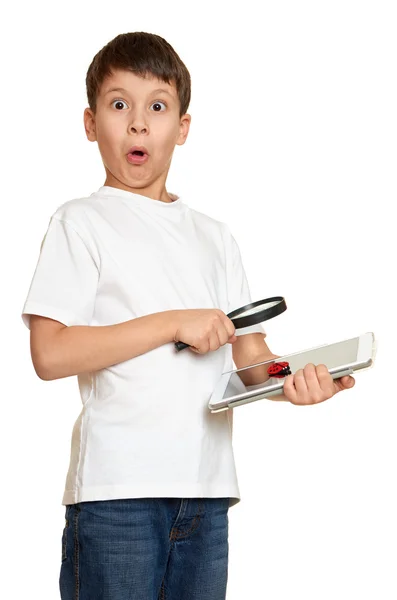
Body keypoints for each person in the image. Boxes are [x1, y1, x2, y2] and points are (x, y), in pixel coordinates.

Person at [21, 31, 355, 600]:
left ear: (183, 127)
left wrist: (290, 382)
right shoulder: (79, 222)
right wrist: (173, 322)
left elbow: (250, 361)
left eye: (157, 106)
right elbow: (50, 354)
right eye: (118, 104)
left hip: (205, 496)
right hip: (116, 496)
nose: (137, 123)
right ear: (89, 122)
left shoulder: (214, 237)